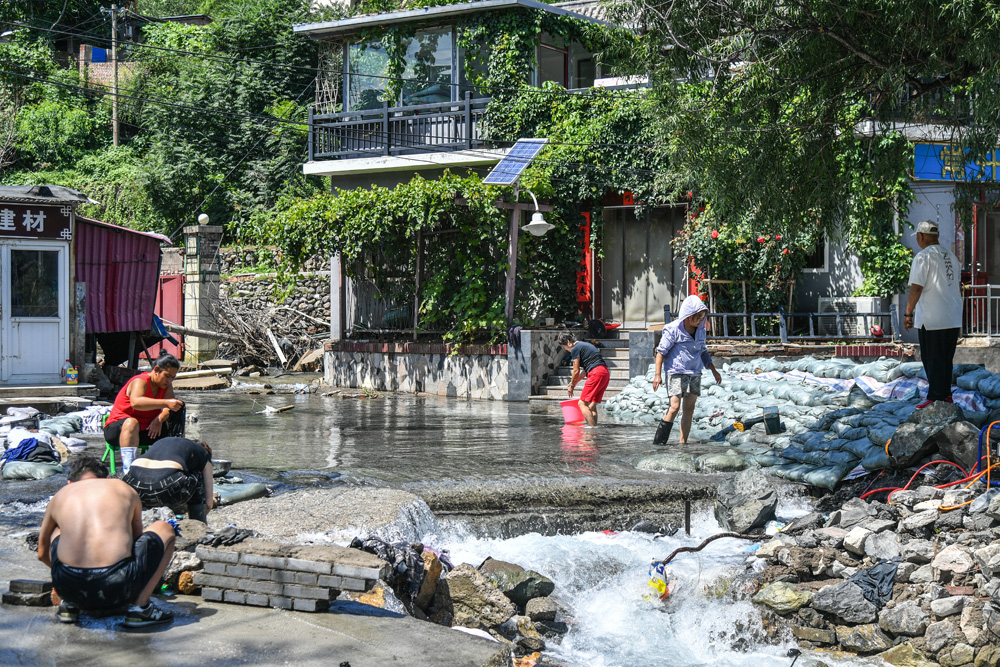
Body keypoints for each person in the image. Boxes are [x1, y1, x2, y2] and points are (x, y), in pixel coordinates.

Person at [37, 455, 176, 627]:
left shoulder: (60, 495)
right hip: (117, 586)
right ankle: (140, 609)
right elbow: (137, 542)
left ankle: (69, 606)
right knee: (165, 528)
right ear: (107, 478)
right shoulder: (123, 488)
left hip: (69, 588)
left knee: (57, 531)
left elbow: (41, 553)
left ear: (69, 483)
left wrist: (71, 576)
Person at [904, 219, 962, 408]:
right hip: (952, 317)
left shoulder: (923, 257)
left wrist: (908, 313)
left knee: (932, 359)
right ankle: (946, 395)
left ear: (921, 236)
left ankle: (935, 399)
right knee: (946, 359)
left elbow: (916, 288)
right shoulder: (951, 256)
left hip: (932, 318)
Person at [651, 294, 722, 445]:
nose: (701, 319)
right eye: (698, 317)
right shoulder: (673, 330)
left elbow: (703, 352)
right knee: (675, 407)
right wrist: (657, 375)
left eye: (703, 316)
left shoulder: (701, 330)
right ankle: (659, 443)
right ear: (689, 317)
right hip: (676, 372)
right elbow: (660, 352)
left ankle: (683, 443)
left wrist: (714, 370)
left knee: (689, 409)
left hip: (695, 373)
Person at [104, 353, 185, 474]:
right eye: (167, 376)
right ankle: (129, 471)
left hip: (148, 429)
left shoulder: (166, 386)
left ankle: (173, 465)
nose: (169, 380)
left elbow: (169, 407)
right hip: (119, 430)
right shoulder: (140, 381)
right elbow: (136, 402)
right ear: (156, 370)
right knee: (132, 422)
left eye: (172, 377)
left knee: (178, 410)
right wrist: (166, 403)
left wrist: (159, 419)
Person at [122, 437, 214, 523]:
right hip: (165, 486)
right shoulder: (203, 453)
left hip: (132, 485)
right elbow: (209, 504)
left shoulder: (165, 442)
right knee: (198, 474)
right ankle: (198, 525)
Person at [561, 334, 611, 427]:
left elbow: (576, 370)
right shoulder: (585, 345)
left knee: (582, 403)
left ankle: (591, 430)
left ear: (568, 342)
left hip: (596, 373)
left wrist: (571, 386)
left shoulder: (575, 348)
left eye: (565, 347)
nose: (567, 350)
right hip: (605, 373)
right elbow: (585, 371)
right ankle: (594, 430)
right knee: (592, 406)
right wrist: (574, 383)